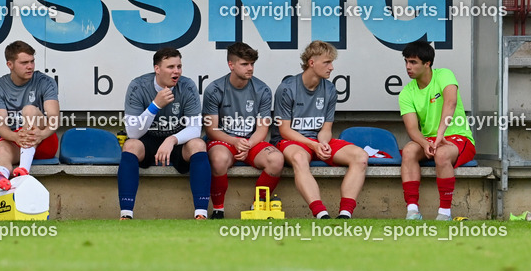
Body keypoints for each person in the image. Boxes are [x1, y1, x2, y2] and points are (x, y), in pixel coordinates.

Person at [274, 40, 367, 219]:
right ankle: (321, 214)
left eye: (331, 62)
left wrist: (323, 143)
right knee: (300, 158)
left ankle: (345, 214)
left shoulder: (330, 89)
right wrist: (312, 144)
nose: (331, 67)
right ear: (311, 63)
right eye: (327, 62)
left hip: (316, 141)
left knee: (360, 156)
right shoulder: (287, 88)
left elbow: (326, 128)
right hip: (290, 141)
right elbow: (284, 130)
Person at [118, 47, 211, 219]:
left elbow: (195, 129)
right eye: (170, 67)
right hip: (148, 141)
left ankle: (201, 213)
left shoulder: (188, 86)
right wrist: (155, 106)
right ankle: (126, 214)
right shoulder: (138, 86)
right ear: (157, 69)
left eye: (179, 66)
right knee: (130, 146)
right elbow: (132, 132)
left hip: (176, 143)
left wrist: (172, 139)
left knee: (198, 144)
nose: (176, 71)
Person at [202, 42, 284, 218]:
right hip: (224, 141)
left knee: (276, 160)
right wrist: (235, 142)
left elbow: (263, 128)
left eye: (252, 64)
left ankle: (258, 205)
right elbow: (211, 129)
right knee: (218, 158)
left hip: (251, 141)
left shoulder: (262, 90)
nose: (250, 68)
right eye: (245, 64)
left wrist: (248, 145)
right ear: (231, 65)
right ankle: (218, 209)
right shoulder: (215, 89)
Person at [398, 40, 476, 221]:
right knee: (409, 150)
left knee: (441, 154)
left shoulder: (444, 75)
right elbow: (412, 128)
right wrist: (426, 143)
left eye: (413, 62)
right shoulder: (406, 93)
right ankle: (412, 211)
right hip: (431, 140)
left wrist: (440, 135)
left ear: (427, 64)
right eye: (406, 62)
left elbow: (451, 103)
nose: (408, 67)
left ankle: (444, 214)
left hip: (458, 138)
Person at [0, 40, 60, 190]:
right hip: (17, 139)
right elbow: (0, 124)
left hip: (44, 138)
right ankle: (1, 177)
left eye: (32, 61)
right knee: (1, 150)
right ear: (10, 65)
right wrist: (15, 137)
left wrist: (41, 134)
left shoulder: (45, 81)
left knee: (29, 110)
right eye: (24, 63)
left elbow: (54, 118)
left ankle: (23, 171)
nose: (30, 66)